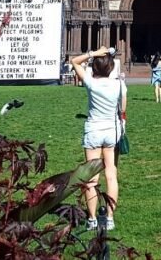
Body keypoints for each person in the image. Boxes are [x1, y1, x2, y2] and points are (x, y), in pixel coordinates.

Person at [69, 46, 127, 232]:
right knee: (111, 175)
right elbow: (123, 110)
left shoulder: (91, 83)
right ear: (111, 67)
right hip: (112, 132)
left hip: (93, 131)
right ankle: (109, 218)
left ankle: (93, 219)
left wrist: (94, 53)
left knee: (91, 179)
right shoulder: (119, 85)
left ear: (94, 67)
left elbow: (74, 62)